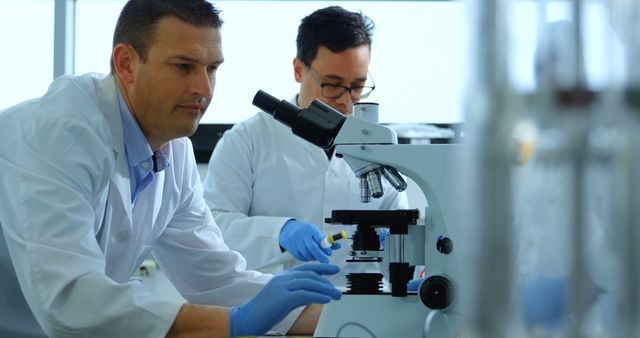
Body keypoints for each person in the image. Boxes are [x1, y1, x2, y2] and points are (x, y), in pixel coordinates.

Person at [0, 1, 341, 337]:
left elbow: (215, 277)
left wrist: (343, 316)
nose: (204, 90)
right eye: (183, 67)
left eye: (212, 69)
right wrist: (236, 323)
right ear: (126, 63)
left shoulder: (174, 151)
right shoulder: (56, 134)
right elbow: (70, 297)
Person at [202, 6, 409, 284]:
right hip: (278, 314)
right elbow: (213, 227)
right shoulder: (247, 140)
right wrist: (281, 233)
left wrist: (402, 252)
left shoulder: (382, 146)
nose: (347, 100)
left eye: (357, 86)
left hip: (361, 309)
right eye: (333, 84)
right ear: (299, 69)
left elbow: (402, 228)